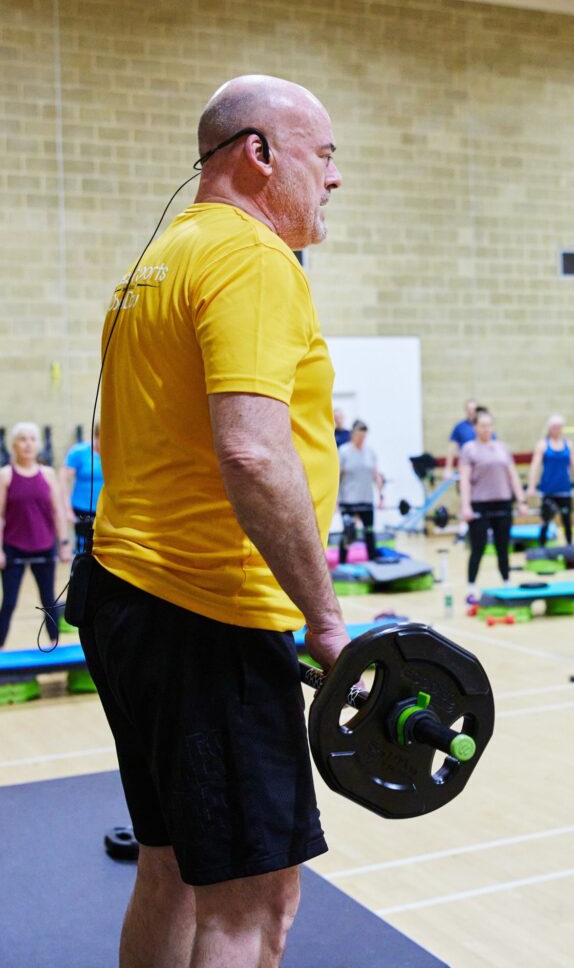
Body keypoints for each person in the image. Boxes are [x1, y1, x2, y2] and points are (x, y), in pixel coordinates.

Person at [78, 75, 348, 968]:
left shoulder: (157, 260)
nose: (336, 180)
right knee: (253, 905)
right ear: (259, 154)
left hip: (128, 597)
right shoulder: (251, 256)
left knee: (170, 868)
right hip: (211, 616)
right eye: (325, 155)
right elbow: (253, 453)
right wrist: (326, 618)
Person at [0, 422, 72, 647]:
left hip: (44, 545)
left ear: (38, 444)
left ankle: (54, 646)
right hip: (14, 547)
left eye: (32, 439)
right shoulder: (5, 475)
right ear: (14, 445)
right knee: (9, 602)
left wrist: (63, 544)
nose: (28, 444)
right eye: (22, 439)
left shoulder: (48, 474)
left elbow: (58, 512)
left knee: (48, 600)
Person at [459, 408, 528, 601]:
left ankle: (506, 581)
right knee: (478, 547)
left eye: (489, 426)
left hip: (503, 503)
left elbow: (512, 476)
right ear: (475, 427)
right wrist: (466, 506)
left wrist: (521, 500)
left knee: (503, 546)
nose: (486, 429)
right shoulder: (469, 449)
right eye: (482, 426)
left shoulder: (501, 448)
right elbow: (464, 480)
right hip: (480, 504)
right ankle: (471, 587)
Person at [526, 414, 574, 547]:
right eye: (554, 427)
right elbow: (535, 466)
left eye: (559, 427)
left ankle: (570, 547)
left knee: (567, 520)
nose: (557, 430)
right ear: (549, 428)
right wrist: (531, 486)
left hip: (564, 489)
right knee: (545, 520)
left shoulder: (568, 445)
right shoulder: (543, 445)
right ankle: (541, 547)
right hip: (548, 489)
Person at [338, 419, 385, 563]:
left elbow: (376, 475)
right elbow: (337, 476)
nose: (362, 438)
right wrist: (335, 500)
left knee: (369, 533)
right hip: (348, 500)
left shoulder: (370, 452)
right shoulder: (344, 451)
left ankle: (373, 562)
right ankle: (342, 563)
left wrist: (381, 497)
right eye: (360, 435)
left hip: (366, 499)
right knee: (349, 532)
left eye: (364, 435)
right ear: (353, 434)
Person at [61, 422, 104, 554]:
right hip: (82, 510)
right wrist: (67, 509)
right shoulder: (79, 452)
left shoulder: (116, 454)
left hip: (105, 511)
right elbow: (63, 479)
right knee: (83, 551)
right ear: (96, 436)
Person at [444, 398, 480, 479]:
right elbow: (451, 448)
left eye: (473, 409)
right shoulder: (459, 427)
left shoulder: (484, 426)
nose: (471, 411)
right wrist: (448, 468)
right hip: (466, 466)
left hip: (481, 466)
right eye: (469, 409)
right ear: (466, 411)